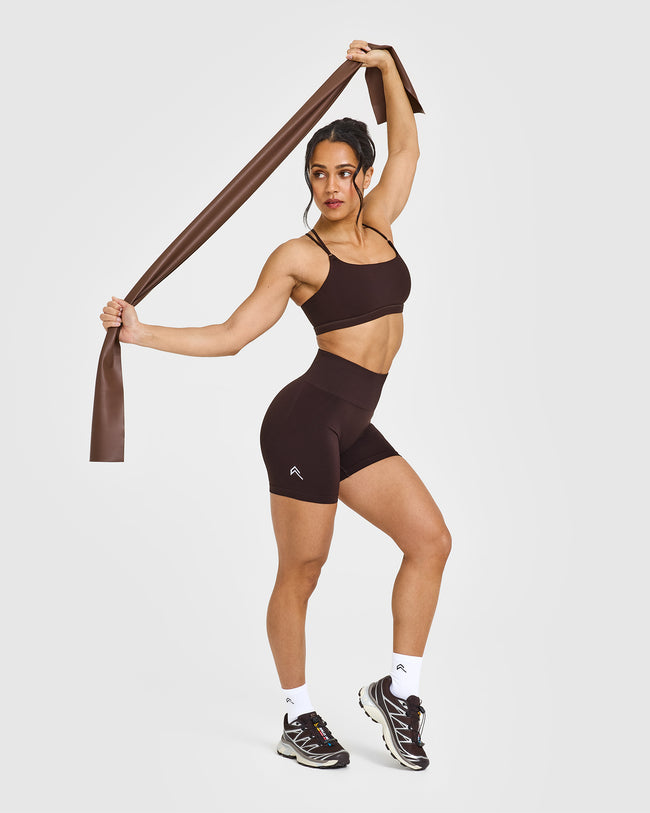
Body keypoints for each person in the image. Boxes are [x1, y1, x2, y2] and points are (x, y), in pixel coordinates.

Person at [100, 40, 451, 771]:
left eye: (344, 172)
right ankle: (297, 716)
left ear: (364, 176)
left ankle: (399, 693)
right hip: (304, 421)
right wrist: (140, 332)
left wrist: (386, 66)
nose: (331, 186)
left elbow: (408, 147)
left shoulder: (382, 225)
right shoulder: (299, 257)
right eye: (318, 173)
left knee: (430, 541)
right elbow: (232, 336)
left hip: (353, 422)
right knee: (303, 569)